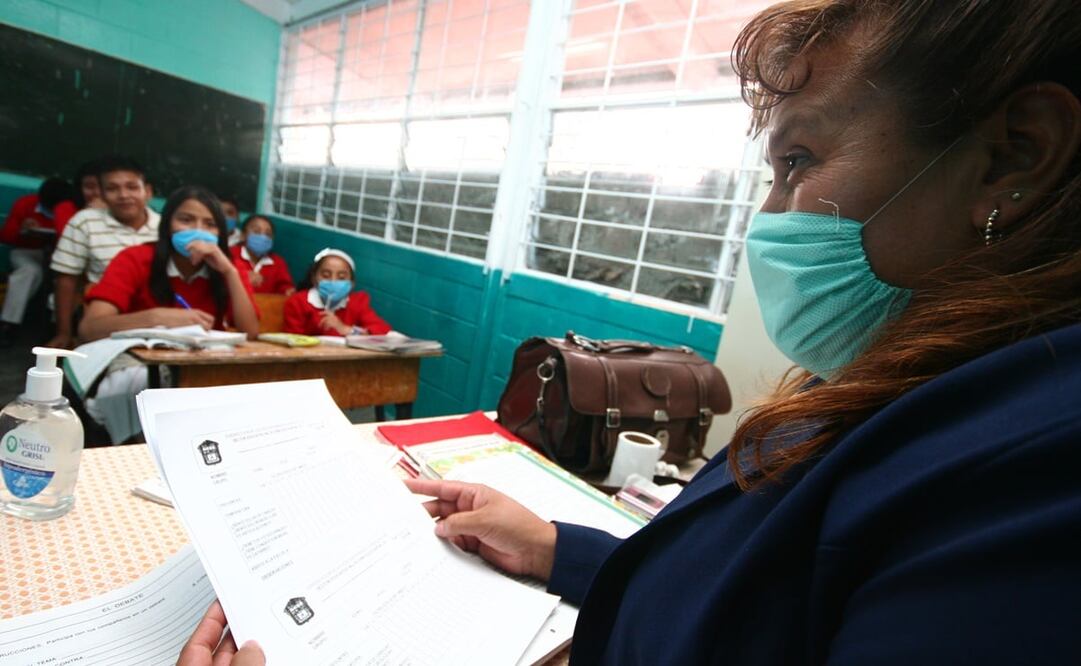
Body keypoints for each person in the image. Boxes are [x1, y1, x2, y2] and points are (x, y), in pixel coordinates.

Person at [182, 0, 1081, 663]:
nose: (767, 219)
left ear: (1012, 157)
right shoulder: (919, 372)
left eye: (799, 161)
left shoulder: (1041, 491)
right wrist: (563, 551)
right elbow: (763, 596)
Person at [78, 186, 259, 443]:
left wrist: (229, 272)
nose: (198, 231)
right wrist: (155, 318)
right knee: (143, 388)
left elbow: (250, 331)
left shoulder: (228, 267)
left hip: (201, 373)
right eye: (186, 220)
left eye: (210, 224)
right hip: (136, 368)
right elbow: (90, 328)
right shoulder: (135, 258)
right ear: (167, 225)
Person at [48, 155, 161, 349]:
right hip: (102, 318)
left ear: (148, 192)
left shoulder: (165, 227)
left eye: (132, 187)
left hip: (156, 320)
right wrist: (63, 333)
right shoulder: (84, 222)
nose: (124, 195)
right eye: (112, 189)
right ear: (101, 194)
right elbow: (66, 279)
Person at [0, 178, 77, 340]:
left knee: (64, 279)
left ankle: (56, 329)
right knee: (29, 272)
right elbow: (6, 235)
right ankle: (8, 324)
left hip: (59, 254)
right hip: (27, 250)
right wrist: (22, 229)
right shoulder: (26, 204)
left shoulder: (71, 209)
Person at [282, 248, 390, 336]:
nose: (333, 281)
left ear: (351, 284)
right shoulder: (297, 302)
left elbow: (382, 330)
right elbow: (293, 341)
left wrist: (345, 329)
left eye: (341, 277)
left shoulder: (357, 303)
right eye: (326, 275)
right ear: (314, 279)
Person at [229, 215, 295, 295]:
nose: (263, 237)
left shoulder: (278, 262)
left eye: (268, 234)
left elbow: (284, 286)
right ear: (243, 236)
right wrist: (242, 278)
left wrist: (288, 291)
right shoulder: (230, 254)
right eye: (256, 232)